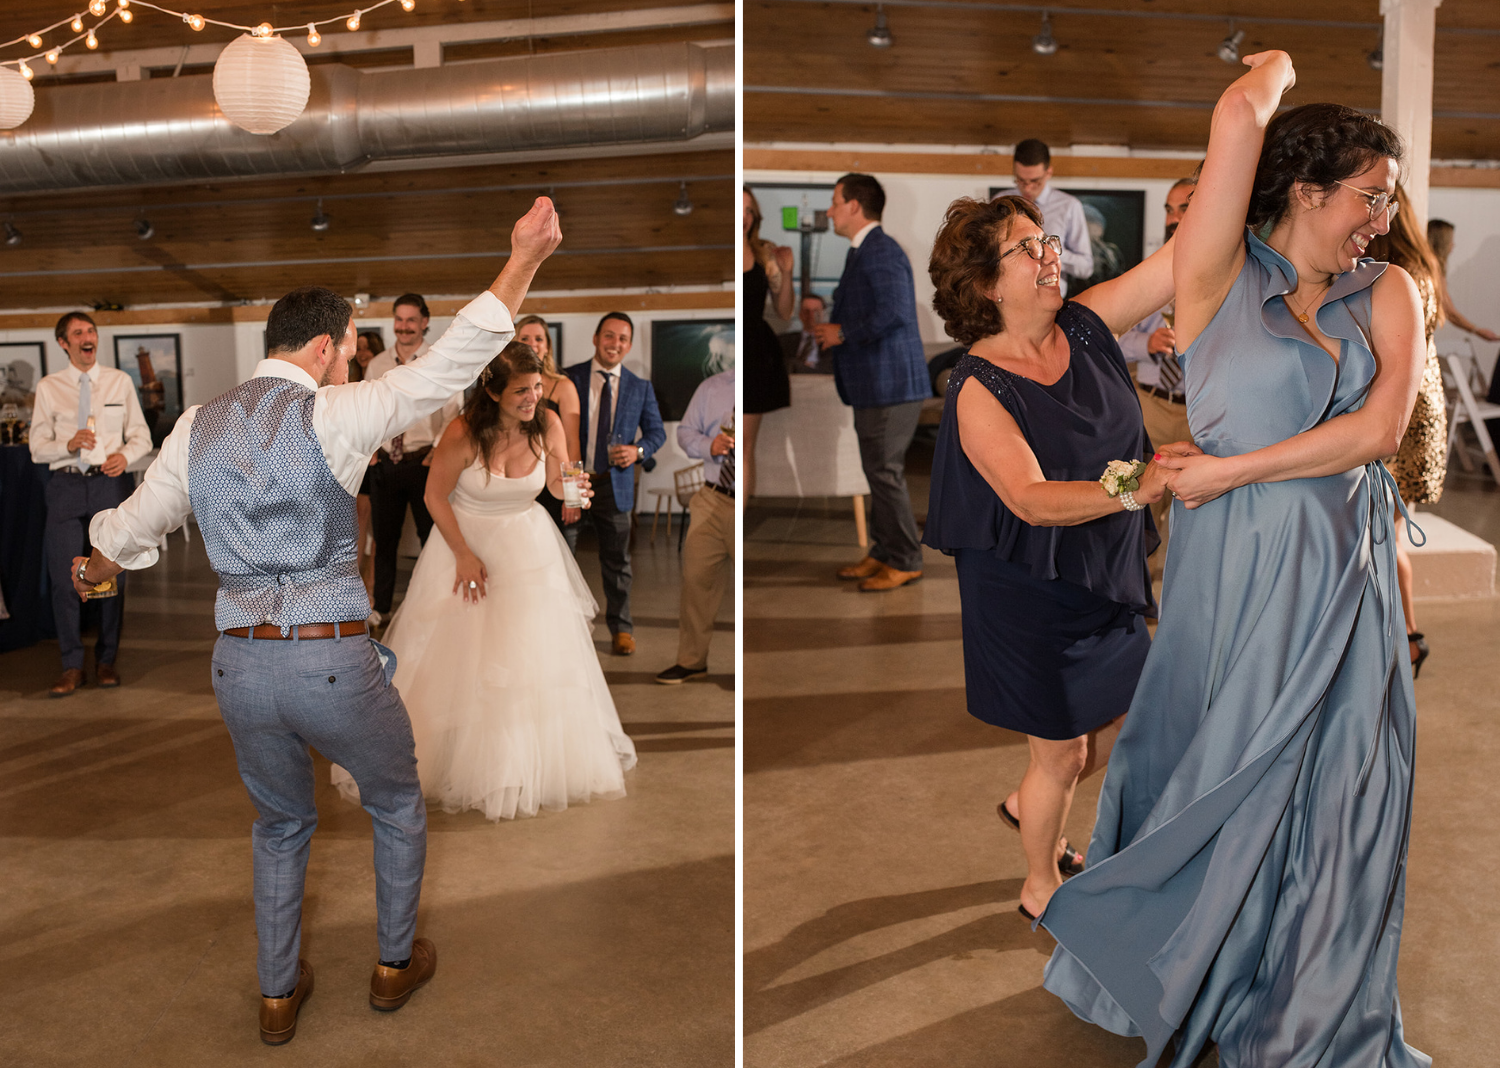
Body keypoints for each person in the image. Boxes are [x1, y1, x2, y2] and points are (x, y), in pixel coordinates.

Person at [72, 196, 562, 1045]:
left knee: (279, 822)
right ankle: (392, 963)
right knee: (398, 803)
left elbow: (134, 523)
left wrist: (94, 568)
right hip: (330, 661)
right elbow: (447, 370)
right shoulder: (337, 412)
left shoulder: (197, 424)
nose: (355, 361)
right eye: (352, 348)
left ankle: (275, 993)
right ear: (328, 346)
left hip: (238, 668)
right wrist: (523, 261)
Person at [1041, 54, 1430, 1068]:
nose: (1382, 217)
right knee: (1213, 777)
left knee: (1343, 792)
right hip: (1234, 580)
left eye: (1388, 200)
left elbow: (1378, 433)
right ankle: (1187, 974)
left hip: (1343, 578)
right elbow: (1237, 109)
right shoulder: (1212, 273)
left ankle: (1306, 1010)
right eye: (1369, 195)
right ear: (1307, 189)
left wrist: (1233, 467)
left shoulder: (1392, 293)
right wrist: (1275, 70)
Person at [923, 193, 1183, 923]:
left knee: (1111, 728)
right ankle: (1039, 884)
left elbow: (1178, 262)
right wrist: (1143, 483)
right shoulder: (978, 387)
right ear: (984, 285)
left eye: (1048, 244)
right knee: (1065, 754)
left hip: (1102, 562)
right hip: (1027, 589)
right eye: (1027, 250)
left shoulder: (1087, 323)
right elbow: (1031, 499)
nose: (1051, 257)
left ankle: (1026, 800)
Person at [332, 341, 636, 819]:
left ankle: (515, 765)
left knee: (524, 659)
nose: (533, 398)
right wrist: (463, 555)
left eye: (537, 387)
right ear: (493, 391)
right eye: (521, 391)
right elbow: (435, 497)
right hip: (464, 544)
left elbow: (560, 487)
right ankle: (455, 757)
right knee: (458, 659)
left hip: (528, 548)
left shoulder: (549, 424)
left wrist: (575, 494)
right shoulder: (464, 431)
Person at [811, 173, 931, 592]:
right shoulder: (864, 251)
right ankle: (883, 551)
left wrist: (841, 333)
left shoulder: (880, 250)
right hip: (878, 384)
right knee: (877, 472)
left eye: (834, 201)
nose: (829, 210)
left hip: (891, 385)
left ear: (854, 206)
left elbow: (895, 312)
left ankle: (906, 559)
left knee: (885, 472)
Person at [28, 311, 151, 697]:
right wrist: (65, 445)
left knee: (113, 574)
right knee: (64, 579)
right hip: (65, 486)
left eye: (91, 330)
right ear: (63, 343)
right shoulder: (49, 387)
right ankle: (71, 665)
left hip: (109, 486)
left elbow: (141, 437)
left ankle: (107, 659)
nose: (87, 336)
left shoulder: (119, 381)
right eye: (78, 332)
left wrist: (125, 457)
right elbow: (35, 448)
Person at [1369, 184, 1447, 678]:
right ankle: (1405, 637)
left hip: (1405, 410)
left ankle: (1407, 639)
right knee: (1388, 533)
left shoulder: (1398, 275)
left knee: (1385, 535)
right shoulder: (1421, 266)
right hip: (1421, 405)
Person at [563, 312, 666, 655]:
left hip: (614, 484)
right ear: (595, 339)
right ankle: (567, 628)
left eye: (622, 339)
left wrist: (637, 450)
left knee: (617, 562)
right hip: (573, 484)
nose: (615, 344)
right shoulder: (569, 378)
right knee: (562, 558)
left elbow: (657, 433)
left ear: (629, 345)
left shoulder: (640, 386)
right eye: (609, 336)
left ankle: (621, 629)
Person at [365, 293, 461, 628]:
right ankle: (383, 607)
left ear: (424, 322)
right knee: (385, 540)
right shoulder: (377, 364)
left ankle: (435, 603)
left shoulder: (437, 361)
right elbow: (367, 410)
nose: (404, 327)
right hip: (387, 465)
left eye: (411, 320)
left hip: (424, 464)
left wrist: (437, 448)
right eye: (399, 319)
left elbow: (453, 410)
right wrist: (372, 448)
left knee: (431, 536)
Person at [1118, 175, 1197, 575]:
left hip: (1202, 411)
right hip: (1151, 404)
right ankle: (1137, 592)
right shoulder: (1148, 272)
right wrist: (1145, 345)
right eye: (1169, 209)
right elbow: (1110, 338)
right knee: (1143, 504)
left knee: (1191, 515)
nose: (1173, 217)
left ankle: (1177, 605)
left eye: (1183, 207)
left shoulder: (1223, 273)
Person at [656, 365, 735, 684]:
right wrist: (709, 446)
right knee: (696, 581)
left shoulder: (762, 380)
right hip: (712, 497)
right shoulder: (713, 387)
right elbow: (686, 432)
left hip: (747, 499)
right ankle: (692, 661)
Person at [743, 188, 794, 498]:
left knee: (745, 446)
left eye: (750, 211)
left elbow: (785, 312)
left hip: (756, 353)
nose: (745, 217)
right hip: (730, 352)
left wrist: (787, 273)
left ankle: (739, 528)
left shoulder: (765, 254)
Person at [995, 139, 1093, 295]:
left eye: (1035, 181)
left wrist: (1049, 250)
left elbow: (1085, 268)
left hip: (1051, 301)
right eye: (1021, 180)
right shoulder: (1000, 202)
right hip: (1010, 297)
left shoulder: (1069, 206)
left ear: (1049, 173)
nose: (1027, 188)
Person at [514, 313, 584, 533]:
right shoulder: (504, 386)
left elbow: (572, 442)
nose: (532, 344)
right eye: (525, 338)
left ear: (547, 346)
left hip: (553, 483)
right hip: (517, 485)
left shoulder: (563, 386)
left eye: (538, 339)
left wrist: (572, 496)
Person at [350, 330, 386, 587]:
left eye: (367, 348)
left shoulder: (381, 380)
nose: (362, 353)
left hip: (378, 459)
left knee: (379, 529)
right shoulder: (348, 379)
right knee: (359, 520)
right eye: (358, 348)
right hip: (355, 458)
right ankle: (357, 580)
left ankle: (373, 585)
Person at [1426, 219, 1499, 344]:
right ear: (1442, 242)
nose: (1453, 245)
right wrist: (1477, 330)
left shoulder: (1431, 267)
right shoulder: (1432, 268)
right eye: (1450, 241)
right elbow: (1449, 311)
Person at [779, 293, 834, 374]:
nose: (811, 315)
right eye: (806, 311)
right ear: (800, 314)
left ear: (823, 314)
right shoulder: (783, 341)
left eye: (816, 311)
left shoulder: (833, 343)